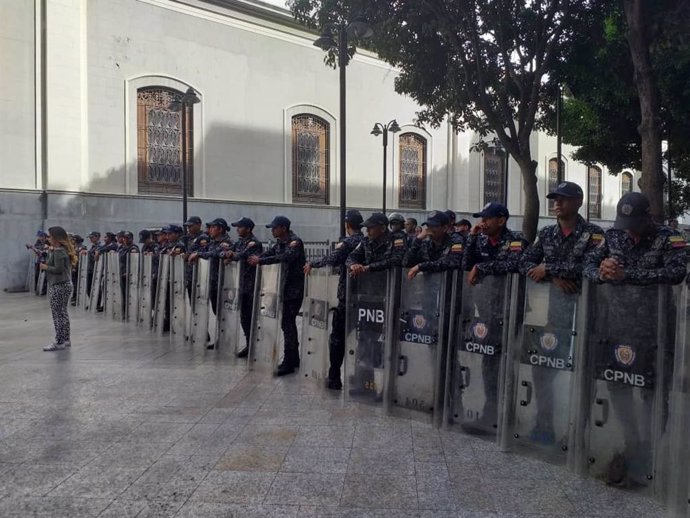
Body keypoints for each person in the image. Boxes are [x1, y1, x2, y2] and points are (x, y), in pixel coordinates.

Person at [583, 192, 686, 485]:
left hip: (656, 331)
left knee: (653, 392)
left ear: (648, 217)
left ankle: (651, 450)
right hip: (617, 328)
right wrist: (602, 273)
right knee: (618, 386)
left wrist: (627, 274)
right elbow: (588, 266)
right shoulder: (613, 236)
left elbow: (677, 272)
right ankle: (632, 441)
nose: (629, 229)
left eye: (634, 223)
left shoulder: (669, 238)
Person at [518, 181, 605, 445]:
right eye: (555, 199)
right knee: (543, 371)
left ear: (579, 201)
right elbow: (524, 262)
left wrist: (550, 268)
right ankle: (545, 425)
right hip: (557, 318)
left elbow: (592, 268)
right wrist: (553, 275)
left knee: (584, 374)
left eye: (563, 199)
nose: (557, 203)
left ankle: (579, 431)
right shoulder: (545, 234)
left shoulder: (595, 234)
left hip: (587, 316)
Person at [461, 202, 526, 433]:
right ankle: (490, 413)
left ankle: (508, 416)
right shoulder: (480, 240)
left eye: (487, 218)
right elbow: (466, 264)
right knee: (490, 364)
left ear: (501, 219)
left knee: (507, 363)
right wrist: (470, 238)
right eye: (481, 218)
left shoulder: (516, 240)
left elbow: (514, 263)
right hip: (487, 312)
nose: (483, 222)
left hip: (509, 312)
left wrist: (483, 268)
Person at [304, 209, 365, 389]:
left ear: (347, 225)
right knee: (365, 338)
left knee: (338, 336)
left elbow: (332, 258)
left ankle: (334, 376)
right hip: (367, 297)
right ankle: (362, 378)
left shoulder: (347, 242)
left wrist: (312, 264)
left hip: (347, 296)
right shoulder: (366, 241)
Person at [248, 216, 305, 376]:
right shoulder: (280, 242)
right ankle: (293, 358)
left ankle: (289, 361)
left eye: (274, 228)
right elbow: (269, 254)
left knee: (288, 325)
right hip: (283, 289)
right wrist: (259, 259)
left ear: (283, 228)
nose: (272, 230)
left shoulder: (295, 242)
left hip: (293, 291)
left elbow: (285, 257)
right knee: (287, 325)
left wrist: (260, 260)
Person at [222, 218, 264, 358]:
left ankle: (256, 344)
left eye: (240, 227)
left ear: (248, 228)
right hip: (240, 284)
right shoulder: (239, 242)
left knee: (251, 316)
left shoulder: (254, 243)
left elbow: (241, 255)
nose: (237, 229)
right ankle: (249, 343)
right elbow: (227, 253)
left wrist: (231, 255)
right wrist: (228, 254)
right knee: (244, 317)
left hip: (252, 285)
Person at [189, 218, 232, 349]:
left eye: (212, 227)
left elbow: (215, 253)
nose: (209, 230)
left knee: (223, 313)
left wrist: (199, 254)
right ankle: (222, 338)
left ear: (220, 229)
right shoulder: (213, 241)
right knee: (217, 311)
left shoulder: (225, 242)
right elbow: (202, 250)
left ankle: (226, 339)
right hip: (213, 282)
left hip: (223, 283)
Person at [39, 226, 78, 351]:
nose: (48, 238)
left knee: (57, 315)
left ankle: (59, 341)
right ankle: (66, 340)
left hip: (59, 285)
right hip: (64, 285)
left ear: (56, 238)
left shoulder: (59, 251)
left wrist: (45, 267)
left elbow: (58, 269)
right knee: (63, 314)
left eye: (50, 236)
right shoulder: (60, 250)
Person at [403, 210, 464, 278]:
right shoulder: (426, 244)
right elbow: (406, 262)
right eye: (428, 226)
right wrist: (417, 240)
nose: (429, 229)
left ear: (444, 228)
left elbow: (452, 263)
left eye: (434, 226)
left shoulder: (455, 241)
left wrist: (422, 266)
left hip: (449, 285)